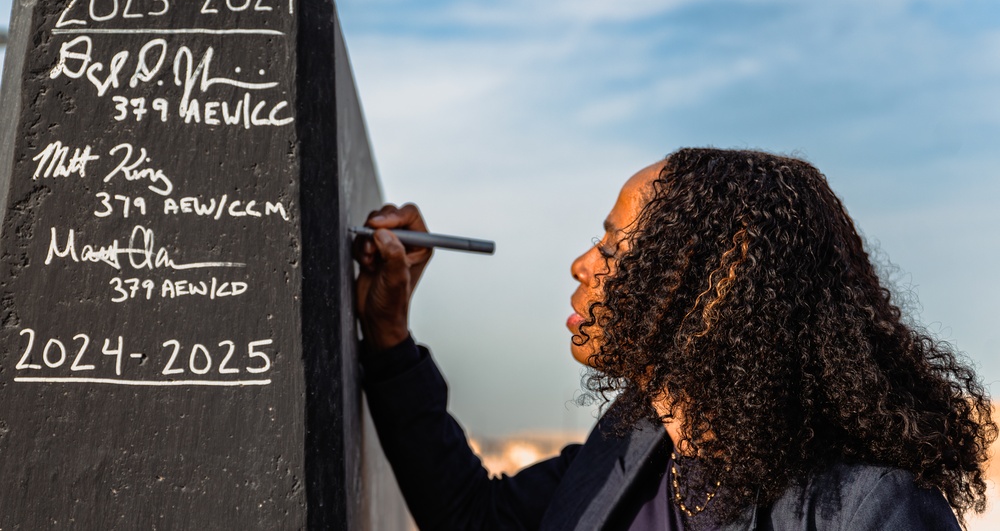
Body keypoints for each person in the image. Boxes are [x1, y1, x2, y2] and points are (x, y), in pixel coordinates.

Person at [354, 147, 995, 530]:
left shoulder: (867, 512)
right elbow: (474, 518)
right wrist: (389, 336)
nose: (582, 264)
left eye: (613, 245)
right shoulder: (627, 449)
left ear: (714, 285)